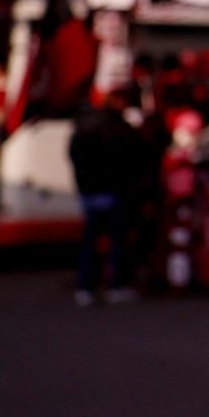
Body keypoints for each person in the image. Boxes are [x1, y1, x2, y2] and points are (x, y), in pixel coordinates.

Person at [67, 86, 145, 305]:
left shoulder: (85, 126)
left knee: (91, 241)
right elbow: (131, 160)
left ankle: (86, 287)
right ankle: (115, 285)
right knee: (116, 241)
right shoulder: (119, 129)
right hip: (113, 191)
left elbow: (75, 157)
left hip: (90, 192)